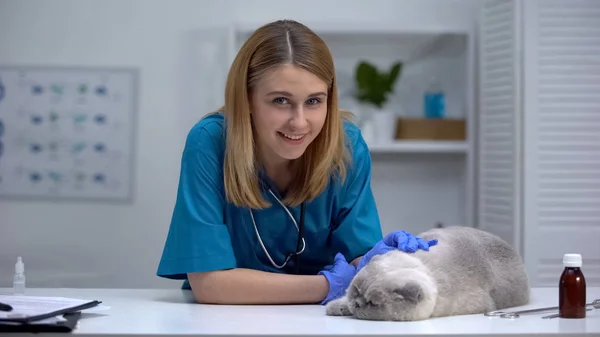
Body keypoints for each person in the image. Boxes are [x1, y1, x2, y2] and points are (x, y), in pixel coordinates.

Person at [156, 19, 438, 305]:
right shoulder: (210, 143)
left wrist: (380, 263)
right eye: (281, 101)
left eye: (314, 101)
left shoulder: (347, 146)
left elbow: (358, 264)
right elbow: (210, 284)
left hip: (323, 323)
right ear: (247, 100)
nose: (299, 122)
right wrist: (326, 286)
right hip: (225, 320)